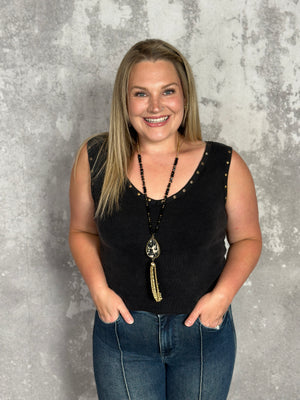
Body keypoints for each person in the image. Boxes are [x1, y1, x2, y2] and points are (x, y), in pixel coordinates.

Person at [69, 39, 262, 400]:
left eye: (168, 91)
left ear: (184, 96)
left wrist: (221, 297)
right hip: (122, 338)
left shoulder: (225, 164)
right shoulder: (95, 157)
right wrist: (98, 290)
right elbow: (81, 229)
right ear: (124, 101)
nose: (155, 106)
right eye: (141, 93)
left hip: (203, 335)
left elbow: (248, 239)